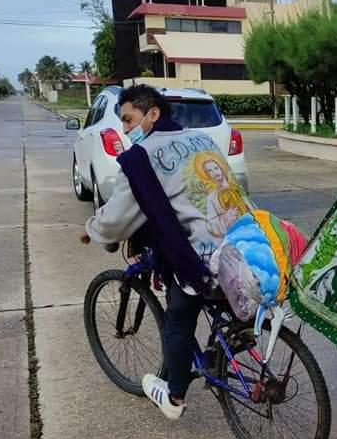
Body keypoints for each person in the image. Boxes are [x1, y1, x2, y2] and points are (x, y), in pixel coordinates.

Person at [84, 84, 252, 419]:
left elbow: (117, 217)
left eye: (130, 121)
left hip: (205, 257)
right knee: (216, 306)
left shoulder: (141, 157)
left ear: (153, 114)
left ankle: (174, 397)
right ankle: (232, 340)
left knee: (177, 319)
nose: (127, 130)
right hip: (247, 241)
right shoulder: (202, 140)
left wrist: (94, 230)